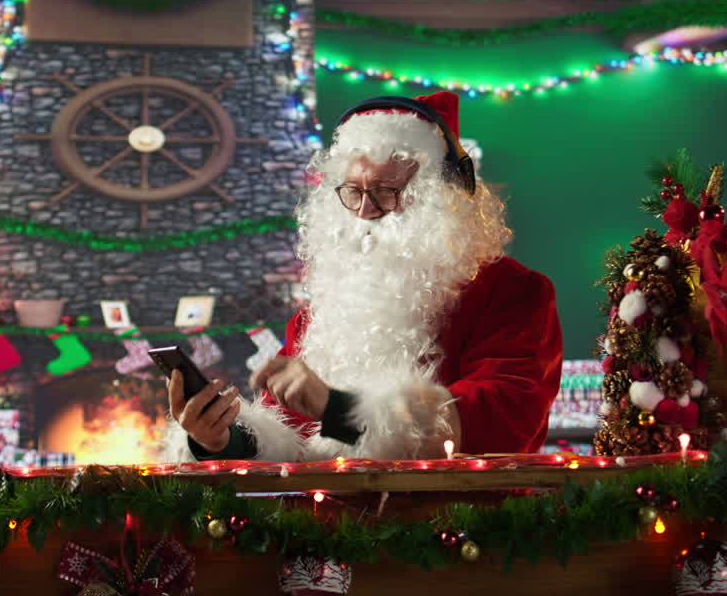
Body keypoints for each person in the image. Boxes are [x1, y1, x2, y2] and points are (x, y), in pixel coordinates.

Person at [165, 92, 563, 462]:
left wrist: (340, 410)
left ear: (438, 198)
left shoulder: (511, 291)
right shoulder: (323, 311)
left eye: (386, 191)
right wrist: (218, 438)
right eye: (353, 191)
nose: (365, 211)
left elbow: (507, 421)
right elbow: (288, 441)